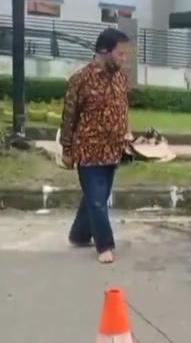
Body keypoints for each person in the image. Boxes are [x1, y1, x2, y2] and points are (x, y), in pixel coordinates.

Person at [60, 28, 131, 264]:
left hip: (113, 150)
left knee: (95, 196)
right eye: (120, 54)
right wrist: (67, 149)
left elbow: (122, 109)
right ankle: (104, 245)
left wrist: (126, 135)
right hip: (88, 150)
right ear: (103, 51)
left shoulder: (121, 77)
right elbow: (69, 117)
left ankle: (79, 234)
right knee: (98, 200)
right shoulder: (80, 80)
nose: (124, 59)